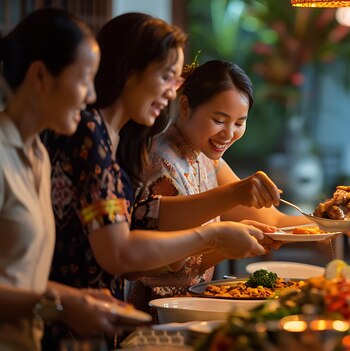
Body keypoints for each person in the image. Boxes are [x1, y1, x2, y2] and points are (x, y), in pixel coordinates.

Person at [41, 13, 272, 345]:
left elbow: (139, 224)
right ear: (128, 71)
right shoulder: (92, 132)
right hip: (68, 325)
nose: (172, 91)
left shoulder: (119, 138)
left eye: (176, 79)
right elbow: (121, 254)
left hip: (94, 319)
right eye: (166, 77)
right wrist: (215, 237)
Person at [129, 59, 310, 308]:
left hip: (193, 306)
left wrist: (334, 224)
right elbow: (173, 266)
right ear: (185, 106)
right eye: (219, 120)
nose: (228, 134)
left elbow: (274, 222)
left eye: (238, 123)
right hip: (160, 313)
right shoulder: (162, 162)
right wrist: (225, 239)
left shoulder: (205, 157)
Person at [0, 8, 123, 349]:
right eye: (84, 80)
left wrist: (79, 298)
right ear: (40, 76)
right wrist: (59, 307)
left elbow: (17, 278)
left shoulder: (38, 155)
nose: (92, 97)